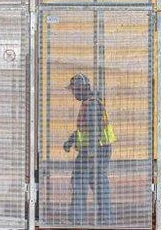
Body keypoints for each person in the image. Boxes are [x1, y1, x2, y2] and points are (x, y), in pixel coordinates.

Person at [64, 73, 114, 225]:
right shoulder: (91, 102)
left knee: (79, 181)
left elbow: (94, 130)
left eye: (74, 90)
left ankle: (76, 219)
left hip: (93, 150)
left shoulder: (91, 105)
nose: (73, 93)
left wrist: (91, 154)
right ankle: (107, 218)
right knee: (98, 182)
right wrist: (71, 140)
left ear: (82, 88)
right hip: (99, 149)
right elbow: (85, 129)